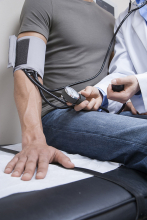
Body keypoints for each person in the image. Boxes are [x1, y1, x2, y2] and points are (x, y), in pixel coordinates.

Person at [4, 0, 115, 181]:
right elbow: (27, 67)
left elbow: (113, 74)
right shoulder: (43, 3)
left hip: (103, 112)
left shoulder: (110, 19)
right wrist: (34, 140)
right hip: (58, 115)